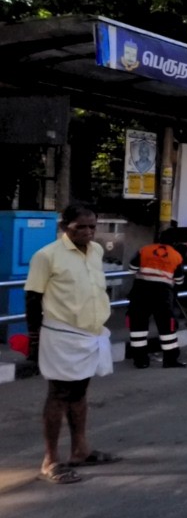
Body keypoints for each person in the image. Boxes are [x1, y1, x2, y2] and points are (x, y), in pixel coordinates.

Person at [24, 205, 120, 484]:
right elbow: (32, 298)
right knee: (59, 393)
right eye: (81, 227)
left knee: (80, 391)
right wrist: (33, 338)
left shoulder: (97, 251)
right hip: (61, 332)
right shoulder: (47, 256)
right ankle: (50, 460)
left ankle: (80, 450)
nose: (89, 232)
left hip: (91, 333)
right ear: (65, 226)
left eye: (92, 226)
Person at [125, 243, 187, 369]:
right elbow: (179, 280)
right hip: (163, 295)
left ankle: (140, 361)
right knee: (167, 328)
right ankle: (170, 360)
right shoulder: (176, 256)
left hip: (140, 291)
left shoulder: (144, 250)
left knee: (138, 327)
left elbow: (132, 268)